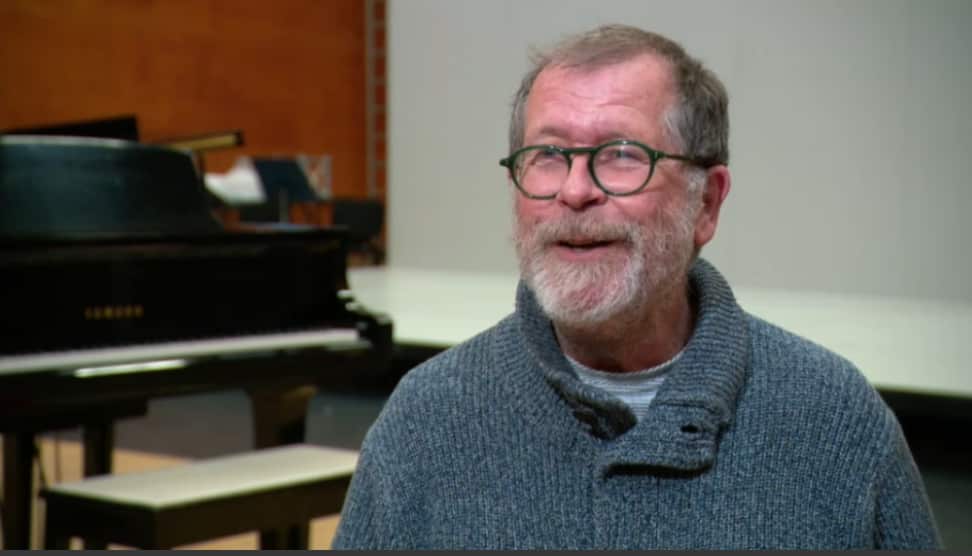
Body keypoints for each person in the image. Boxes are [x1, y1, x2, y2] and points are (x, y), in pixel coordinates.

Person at [333, 24, 941, 550]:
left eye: (621, 154)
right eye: (547, 155)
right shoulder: (425, 423)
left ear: (707, 204)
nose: (575, 190)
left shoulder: (835, 422)